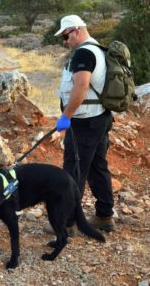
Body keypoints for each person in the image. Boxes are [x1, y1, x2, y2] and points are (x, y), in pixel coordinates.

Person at [47, 15, 115, 234]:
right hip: (100, 118)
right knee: (97, 167)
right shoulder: (98, 50)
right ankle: (104, 215)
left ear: (76, 31)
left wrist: (66, 117)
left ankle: (66, 223)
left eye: (66, 36)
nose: (65, 41)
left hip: (85, 121)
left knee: (73, 171)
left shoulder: (84, 53)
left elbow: (81, 87)